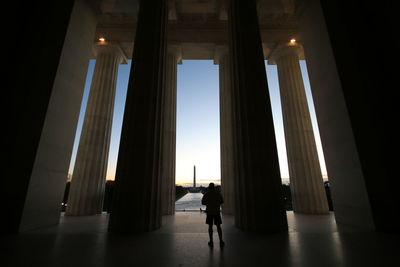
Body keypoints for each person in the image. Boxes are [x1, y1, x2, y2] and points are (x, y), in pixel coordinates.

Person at [201, 183, 225, 247]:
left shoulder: (206, 194)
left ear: (209, 187)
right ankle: (221, 240)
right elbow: (222, 201)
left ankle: (211, 241)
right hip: (216, 211)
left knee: (210, 227)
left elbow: (203, 202)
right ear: (214, 187)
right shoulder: (218, 194)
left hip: (209, 212)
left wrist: (209, 203)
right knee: (218, 226)